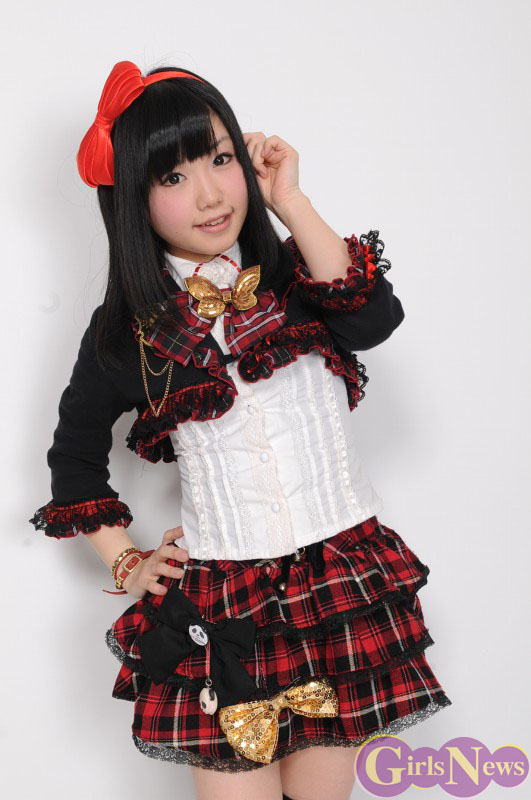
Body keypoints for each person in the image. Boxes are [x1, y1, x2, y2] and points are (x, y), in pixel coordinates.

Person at [29, 60, 452, 800]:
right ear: (132, 198)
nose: (209, 194)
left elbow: (372, 319)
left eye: (221, 159)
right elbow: (73, 458)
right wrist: (127, 562)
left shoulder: (298, 276)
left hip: (338, 588)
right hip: (225, 605)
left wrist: (291, 202)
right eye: (173, 176)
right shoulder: (130, 332)